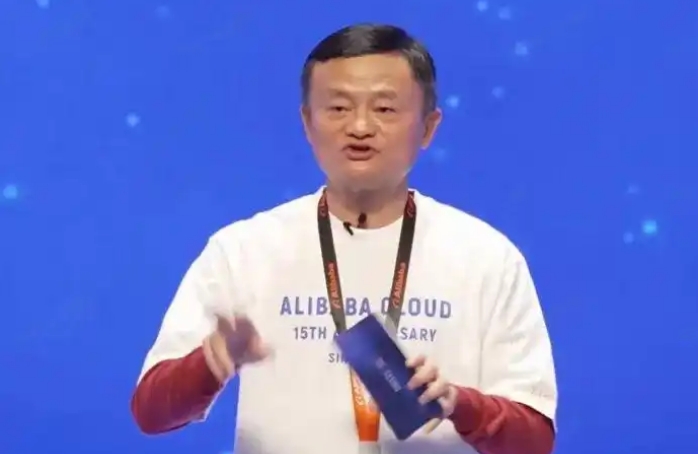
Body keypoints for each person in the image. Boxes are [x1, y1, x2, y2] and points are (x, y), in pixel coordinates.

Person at [131, 23, 557, 454]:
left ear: (428, 127)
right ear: (307, 123)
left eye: (385, 109)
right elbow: (150, 411)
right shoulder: (244, 250)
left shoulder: (486, 257)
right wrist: (212, 360)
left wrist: (460, 405)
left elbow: (535, 441)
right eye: (338, 108)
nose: (360, 126)